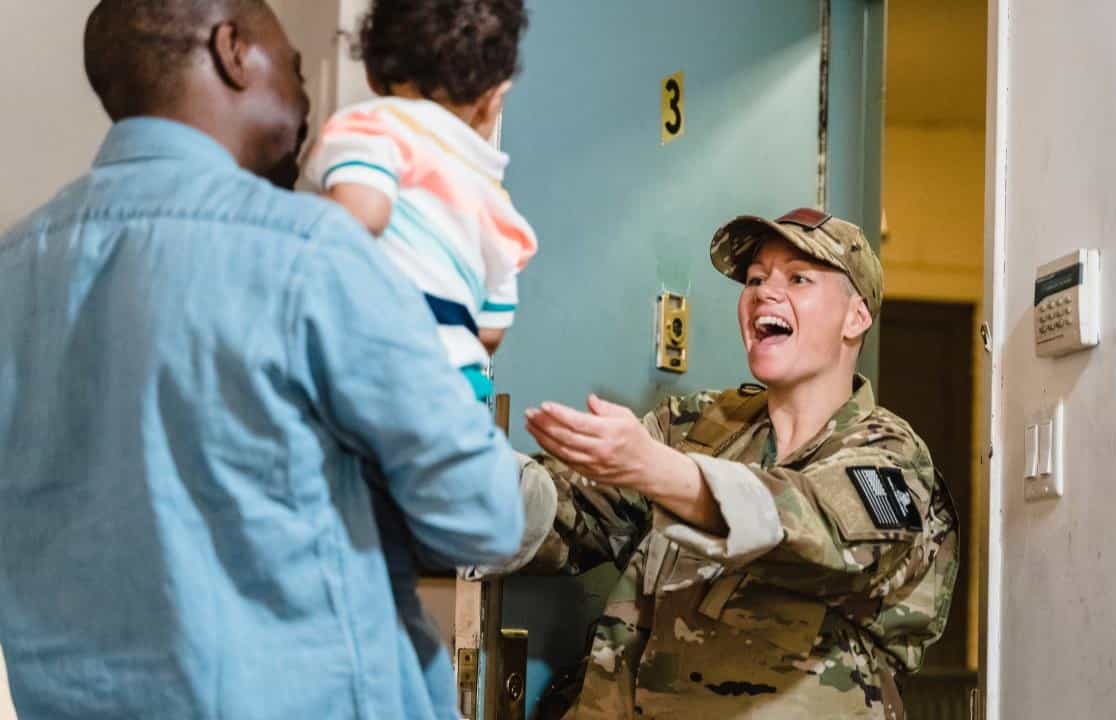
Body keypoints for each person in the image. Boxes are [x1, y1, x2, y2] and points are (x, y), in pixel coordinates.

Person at [0, 2, 523, 719]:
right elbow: (482, 518)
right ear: (232, 50)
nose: (310, 101)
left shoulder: (14, 268)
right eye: (300, 71)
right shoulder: (308, 252)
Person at [493, 209, 960, 719]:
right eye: (756, 279)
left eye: (798, 278)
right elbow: (571, 511)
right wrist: (464, 475)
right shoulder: (696, 425)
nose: (764, 293)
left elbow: (814, 532)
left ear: (856, 317)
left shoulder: (891, 458)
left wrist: (657, 469)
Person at [304, 0, 537, 401]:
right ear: (494, 99)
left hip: (373, 361)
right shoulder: (497, 202)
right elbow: (491, 331)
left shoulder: (373, 127)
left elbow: (362, 216)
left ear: (374, 75)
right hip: (455, 388)